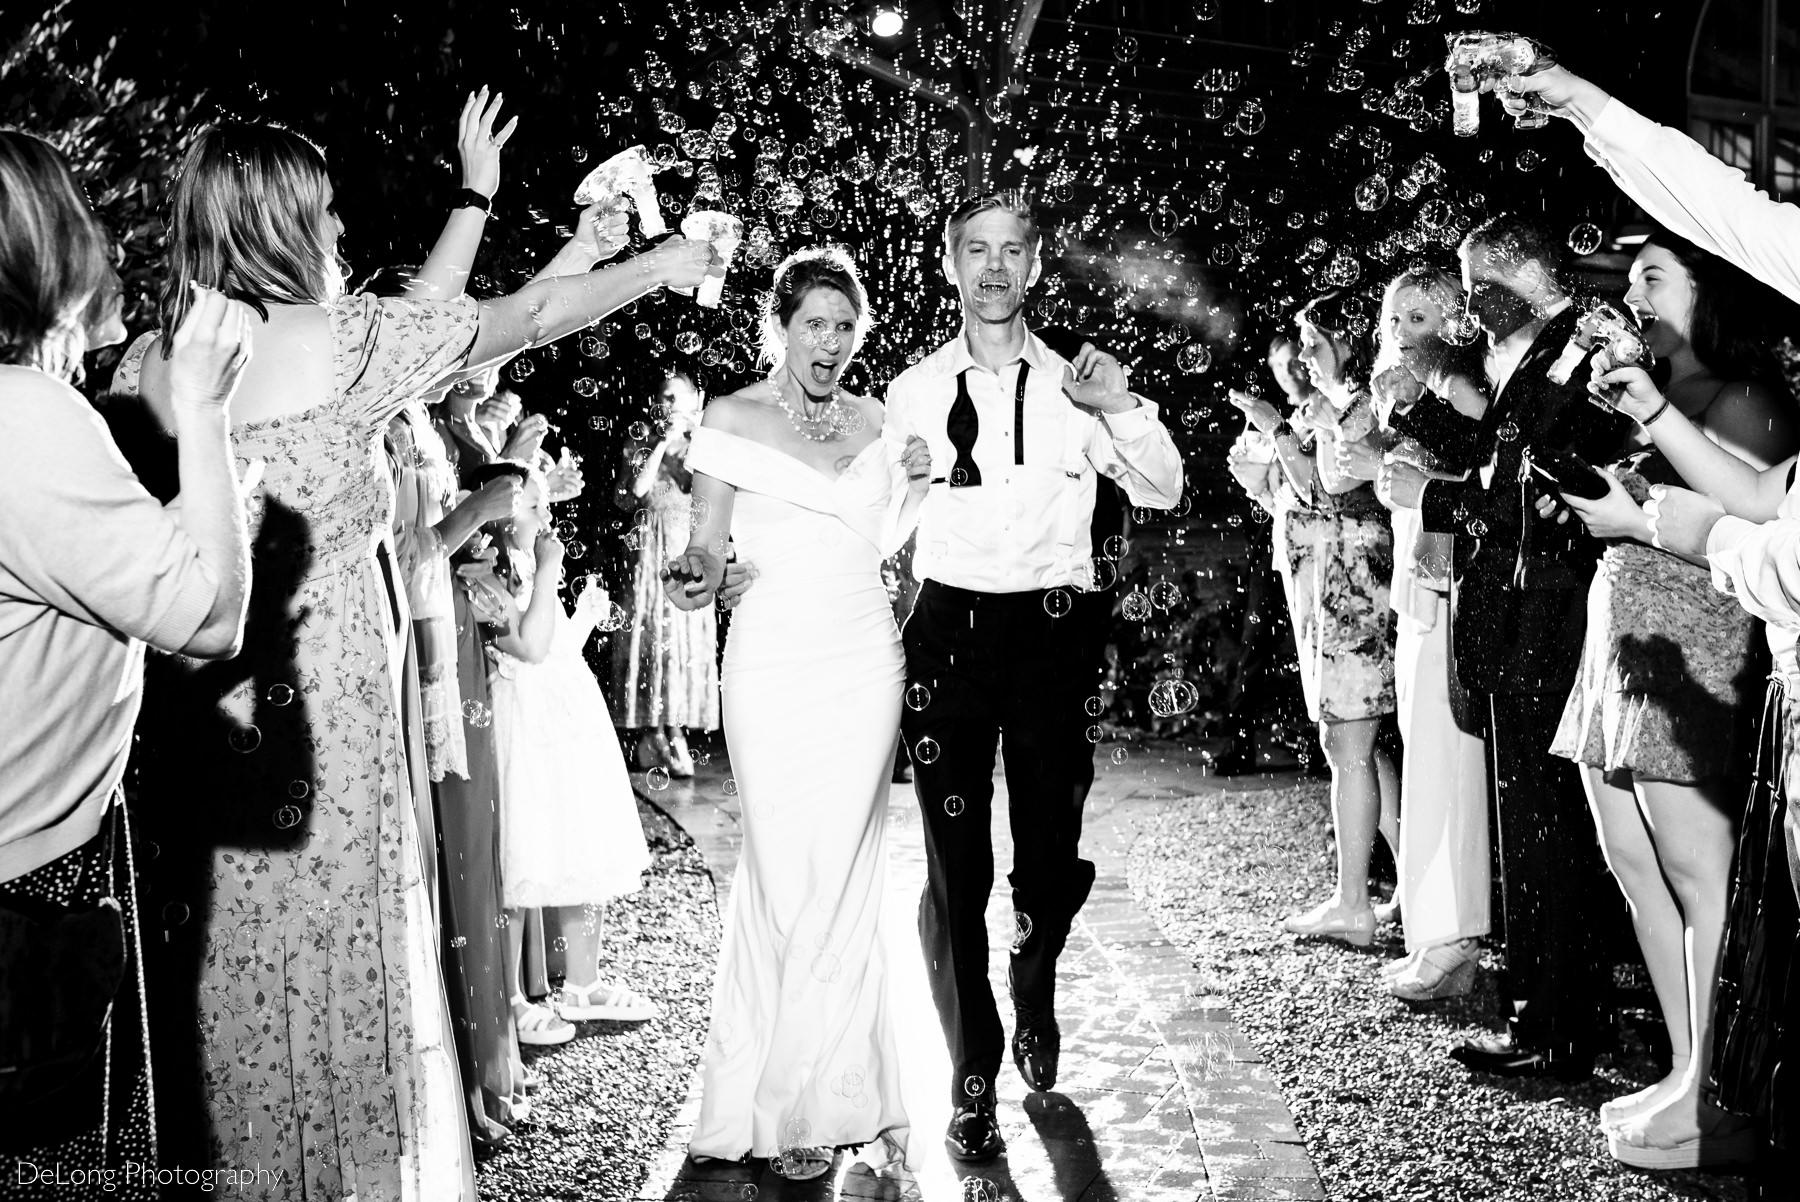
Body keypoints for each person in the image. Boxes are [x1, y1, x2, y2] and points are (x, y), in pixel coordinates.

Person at [110, 118, 713, 1195]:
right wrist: (658, 265)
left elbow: (435, 323)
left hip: (206, 712)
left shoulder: (158, 361)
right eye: (324, 205)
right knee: (341, 949)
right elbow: (508, 323)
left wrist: (496, 208)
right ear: (283, 219)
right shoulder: (330, 344)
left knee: (240, 967)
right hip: (324, 715)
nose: (339, 223)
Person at [1512, 62, 1800, 1173]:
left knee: (1702, 864)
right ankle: (1691, 1067)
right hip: (1645, 619)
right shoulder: (1650, 384)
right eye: (1627, 274)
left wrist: (1662, 517)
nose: (1636, 292)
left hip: (1709, 622)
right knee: (1633, 852)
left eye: (1657, 274)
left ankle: (1716, 1086)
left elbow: (1766, 506)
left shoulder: (1747, 392)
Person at [884, 192, 1183, 1159]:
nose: (995, 267)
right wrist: (902, 486)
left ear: (1037, 264)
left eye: (1013, 250)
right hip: (948, 633)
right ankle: (971, 1073)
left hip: (1053, 636)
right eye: (977, 250)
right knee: (953, 868)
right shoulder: (911, 390)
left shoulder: (1080, 382)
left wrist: (1124, 409)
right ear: (949, 264)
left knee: (1048, 856)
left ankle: (1035, 970)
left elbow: (1165, 486)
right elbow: (883, 528)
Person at [0, 131, 252, 1196]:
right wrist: (205, 412)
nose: (106, 239)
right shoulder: (26, 420)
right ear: (44, 250)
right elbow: (208, 613)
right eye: (83, 215)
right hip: (24, 890)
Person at [663, 246, 928, 1178]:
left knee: (848, 873)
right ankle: (771, 1098)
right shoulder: (730, 418)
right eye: (814, 323)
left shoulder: (885, 422)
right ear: (779, 326)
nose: (831, 341)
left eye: (845, 326)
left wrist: (921, 487)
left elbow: (893, 551)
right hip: (772, 660)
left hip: (865, 660)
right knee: (781, 871)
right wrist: (698, 577)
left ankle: (827, 1104)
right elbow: (703, 553)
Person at [1377, 212, 1634, 1081]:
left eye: (1470, 280)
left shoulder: (1581, 348)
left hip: (1546, 623)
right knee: (1533, 831)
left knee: (1547, 834)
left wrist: (1433, 499)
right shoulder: (1537, 349)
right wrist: (1427, 431)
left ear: (1513, 271)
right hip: (1517, 624)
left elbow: (1546, 494)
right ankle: (1547, 1018)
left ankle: (1553, 1030)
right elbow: (1501, 457)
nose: (1464, 306)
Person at [1342, 268, 1493, 1001]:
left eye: (1423, 316)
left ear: (1458, 322)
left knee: (1445, 765)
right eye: (1396, 317)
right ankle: (1435, 928)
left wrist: (1395, 435)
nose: (1404, 331)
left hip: (1452, 595)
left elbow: (1468, 473)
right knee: (1427, 754)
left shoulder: (1460, 388)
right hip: (1421, 590)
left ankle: (1453, 937)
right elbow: (1405, 493)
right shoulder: (1416, 396)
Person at [1233, 292, 1400, 952]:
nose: (1302, 353)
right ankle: (1406, 891)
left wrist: (1275, 427)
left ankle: (1353, 901)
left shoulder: (1363, 402)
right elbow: (1290, 492)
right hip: (1324, 582)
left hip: (1349, 587)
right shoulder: (1327, 406)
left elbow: (1326, 487)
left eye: (1313, 340)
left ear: (1346, 339)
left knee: (1348, 745)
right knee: (1366, 748)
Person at [480, 462, 660, 1041]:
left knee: (581, 843)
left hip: (567, 719)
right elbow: (528, 648)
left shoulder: (530, 565)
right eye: (533, 506)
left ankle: (582, 985)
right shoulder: (487, 579)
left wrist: (582, 614)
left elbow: (556, 647)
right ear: (502, 518)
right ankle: (508, 999)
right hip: (526, 725)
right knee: (526, 855)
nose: (546, 514)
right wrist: (554, 573)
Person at [613, 368, 721, 776]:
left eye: (678, 398)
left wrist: (691, 443)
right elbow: (632, 494)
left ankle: (675, 731)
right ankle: (651, 734)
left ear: (695, 402)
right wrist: (660, 442)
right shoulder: (641, 441)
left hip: (685, 552)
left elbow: (709, 497)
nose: (669, 406)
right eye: (664, 397)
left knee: (681, 647)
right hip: (649, 558)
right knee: (652, 641)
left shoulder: (703, 446)